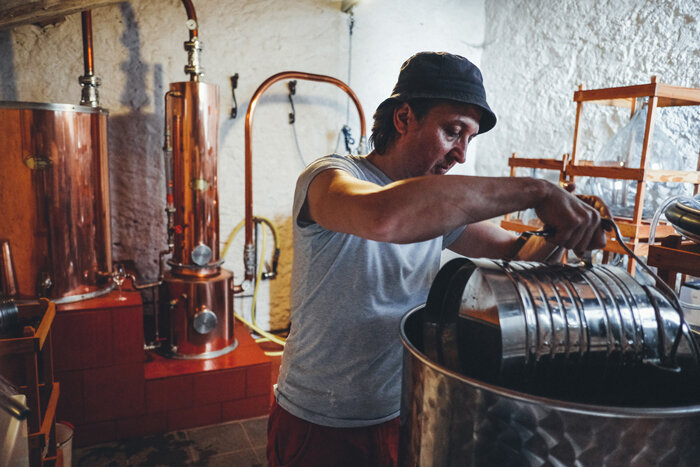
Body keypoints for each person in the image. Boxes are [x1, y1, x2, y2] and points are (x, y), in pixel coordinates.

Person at [267, 51, 606, 467]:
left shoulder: (435, 211)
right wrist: (537, 191)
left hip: (401, 411)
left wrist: (559, 231)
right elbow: (384, 216)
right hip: (320, 421)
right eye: (452, 131)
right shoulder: (329, 178)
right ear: (404, 118)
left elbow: (518, 255)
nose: (460, 153)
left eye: (469, 139)